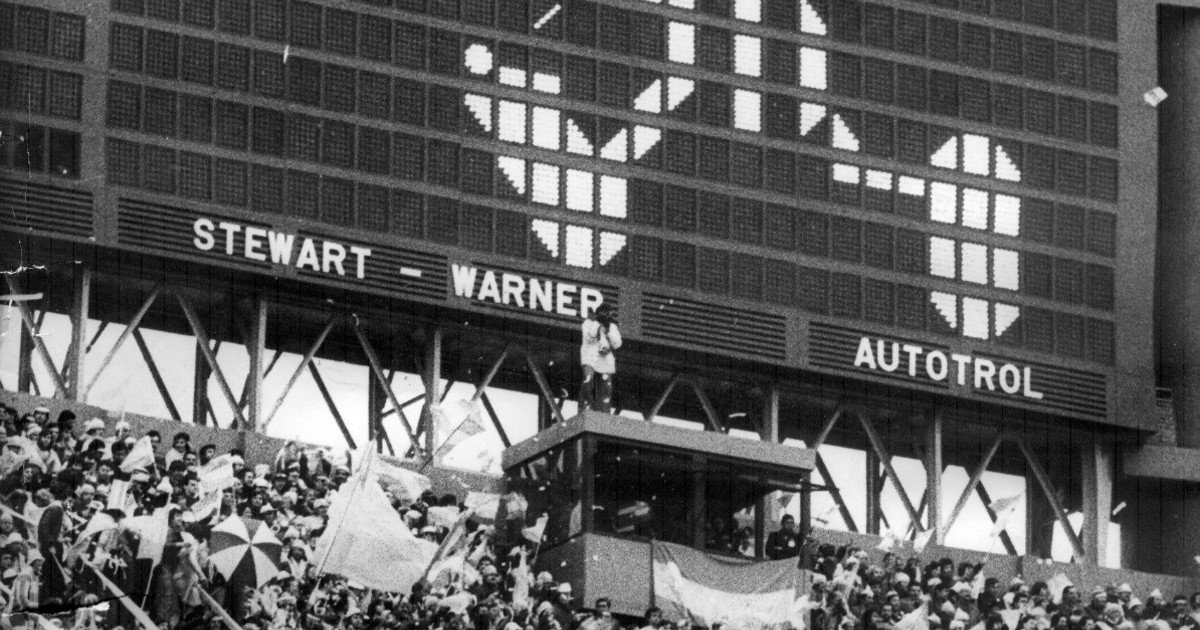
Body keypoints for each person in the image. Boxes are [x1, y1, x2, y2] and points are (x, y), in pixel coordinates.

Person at [579, 303, 622, 414]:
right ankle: (587, 409)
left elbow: (617, 343)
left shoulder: (611, 326)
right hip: (590, 358)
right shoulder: (588, 323)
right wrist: (597, 324)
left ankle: (604, 413)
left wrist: (608, 330)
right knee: (588, 382)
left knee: (606, 388)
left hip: (605, 359)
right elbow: (589, 337)